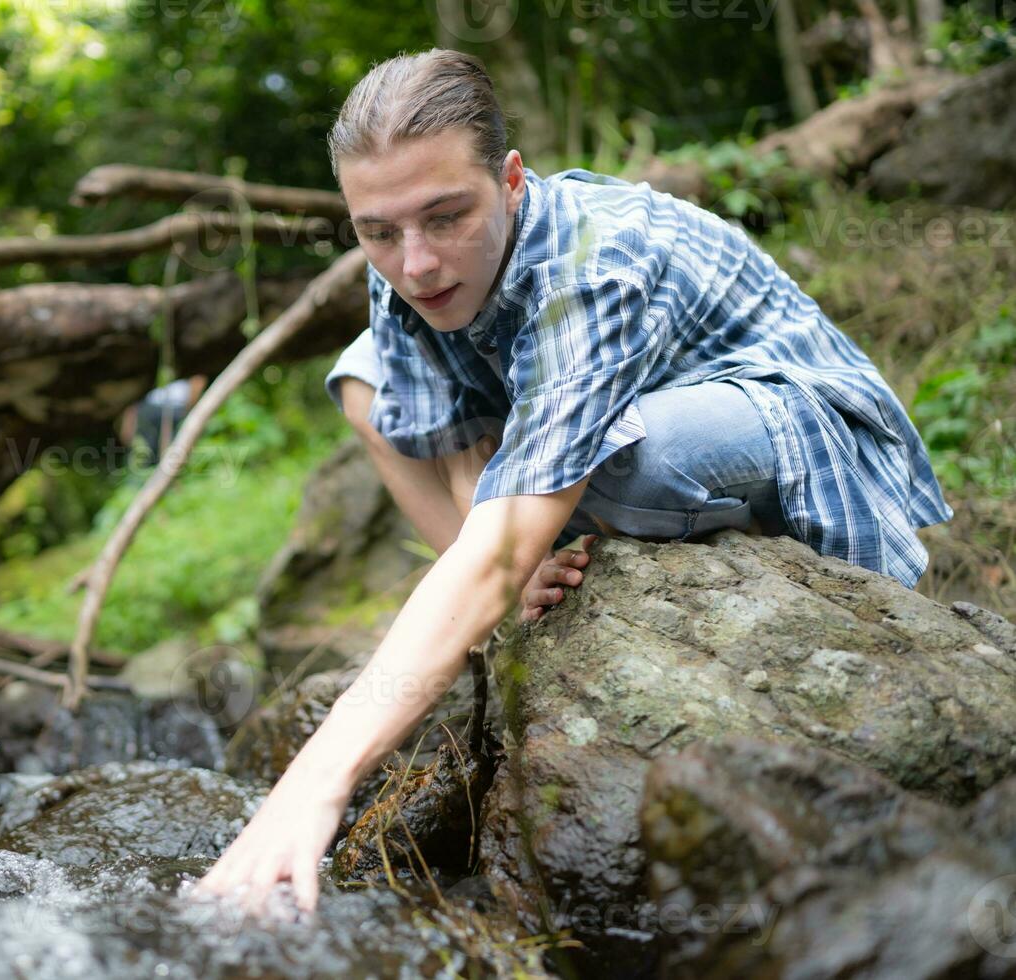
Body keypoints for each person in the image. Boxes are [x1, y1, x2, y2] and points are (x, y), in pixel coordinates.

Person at [188, 48, 952, 916]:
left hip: (797, 426)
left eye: (446, 216)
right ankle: (500, 574)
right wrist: (498, 577)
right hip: (612, 430)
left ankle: (511, 554)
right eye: (378, 231)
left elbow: (505, 524)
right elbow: (444, 416)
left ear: (511, 181)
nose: (417, 263)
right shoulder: (405, 259)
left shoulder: (592, 261)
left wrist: (312, 784)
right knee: (367, 377)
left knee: (632, 459)